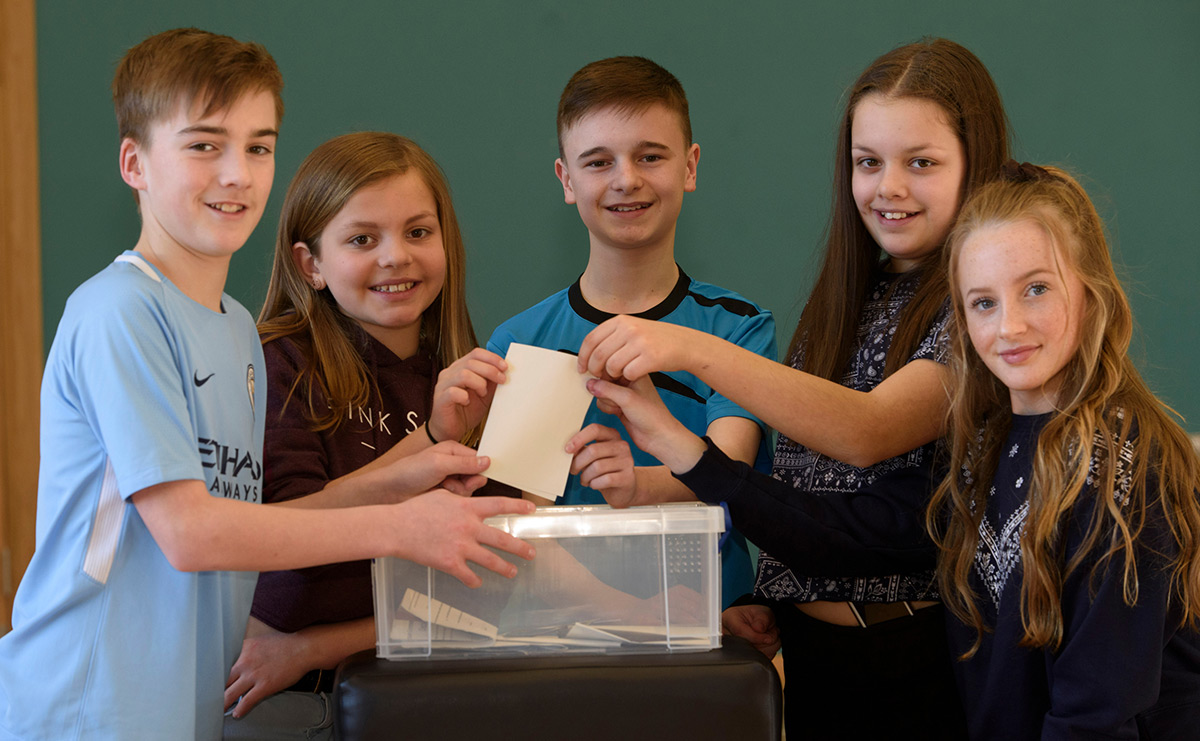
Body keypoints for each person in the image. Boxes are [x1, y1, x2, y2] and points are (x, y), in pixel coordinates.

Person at [0, 30, 533, 741]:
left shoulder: (232, 331)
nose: (237, 174)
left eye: (258, 146)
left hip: (182, 706)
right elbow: (190, 532)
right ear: (135, 163)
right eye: (203, 146)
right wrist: (404, 524)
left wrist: (419, 462)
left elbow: (268, 519)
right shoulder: (118, 311)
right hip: (87, 703)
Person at [583, 163, 1200, 738]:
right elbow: (853, 536)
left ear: (1091, 290)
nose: (1007, 326)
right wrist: (677, 445)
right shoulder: (985, 442)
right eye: (983, 302)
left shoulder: (1121, 458)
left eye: (1036, 289)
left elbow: (1098, 710)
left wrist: (690, 353)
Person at [574, 38, 1011, 738]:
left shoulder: (983, 309)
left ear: (976, 163)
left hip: (910, 660)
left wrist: (690, 346)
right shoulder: (850, 296)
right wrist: (769, 587)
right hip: (817, 657)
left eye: (921, 163)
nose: (887, 187)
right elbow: (807, 494)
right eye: (867, 162)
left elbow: (868, 433)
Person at [222, 131, 521, 738]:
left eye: (418, 232)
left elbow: (487, 592)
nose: (396, 257)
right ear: (311, 265)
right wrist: (432, 442)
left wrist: (314, 648)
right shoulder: (277, 363)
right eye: (363, 239)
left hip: (419, 692)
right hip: (295, 702)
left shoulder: (466, 376)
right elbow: (287, 531)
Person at [488, 56, 776, 609]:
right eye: (598, 162)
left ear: (690, 167)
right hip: (563, 634)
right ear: (566, 179)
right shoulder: (519, 343)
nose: (627, 179)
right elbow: (525, 522)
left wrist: (636, 482)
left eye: (650, 156)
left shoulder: (739, 328)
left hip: (713, 626)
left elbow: (730, 474)